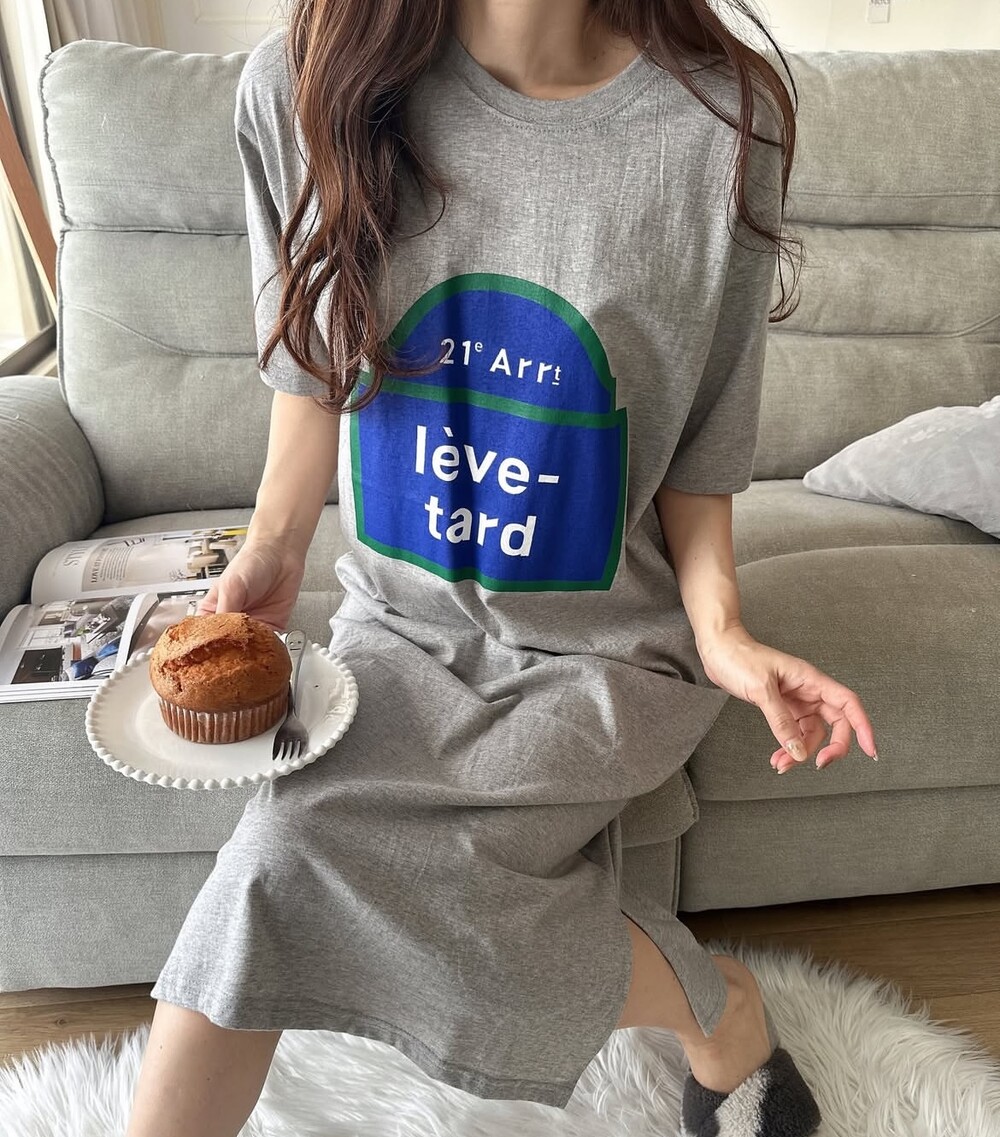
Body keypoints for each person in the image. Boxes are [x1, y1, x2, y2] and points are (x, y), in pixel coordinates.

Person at [126, 3, 878, 1135]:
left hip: (604, 646)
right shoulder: (307, 83)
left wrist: (721, 631)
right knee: (273, 862)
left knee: (446, 889)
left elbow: (704, 440)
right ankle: (714, 1006)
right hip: (397, 631)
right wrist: (274, 549)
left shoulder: (721, 123)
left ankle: (720, 1010)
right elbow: (314, 365)